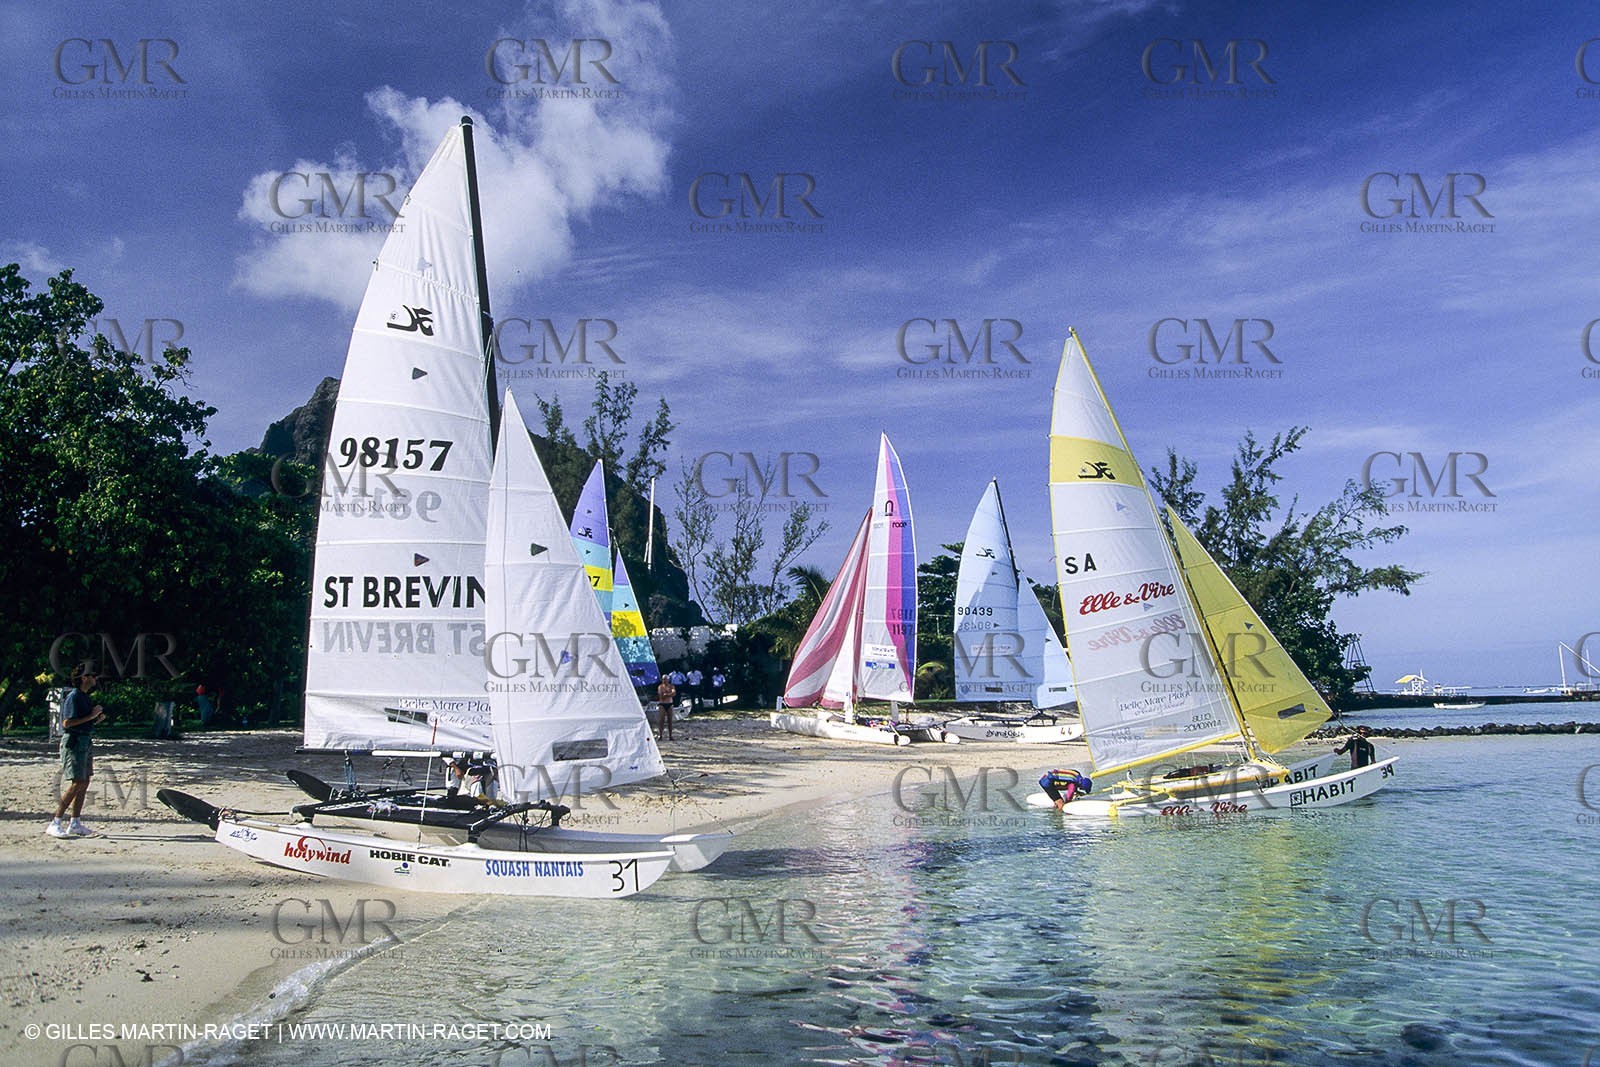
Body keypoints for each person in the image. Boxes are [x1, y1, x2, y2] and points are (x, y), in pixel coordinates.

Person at [49, 664, 106, 838]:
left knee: (85, 781)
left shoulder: (84, 697)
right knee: (77, 782)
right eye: (93, 675)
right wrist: (91, 715)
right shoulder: (74, 697)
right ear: (84, 677)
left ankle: (75, 823)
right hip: (74, 744)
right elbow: (67, 723)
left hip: (85, 741)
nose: (95, 679)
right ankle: (55, 822)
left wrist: (95, 720)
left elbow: (82, 721)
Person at [655, 675, 678, 741]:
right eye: (663, 679)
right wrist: (669, 694)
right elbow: (661, 696)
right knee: (661, 720)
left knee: (670, 720)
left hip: (669, 704)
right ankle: (660, 735)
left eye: (665, 679)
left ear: (668, 679)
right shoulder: (660, 687)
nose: (664, 681)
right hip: (662, 704)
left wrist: (667, 694)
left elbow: (674, 693)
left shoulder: (671, 686)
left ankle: (670, 735)